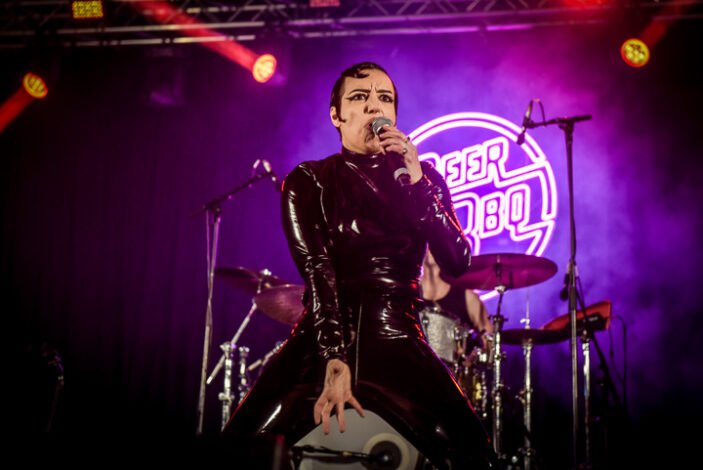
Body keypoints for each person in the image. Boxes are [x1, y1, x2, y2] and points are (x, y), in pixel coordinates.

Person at [223, 62, 496, 469]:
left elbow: (457, 261)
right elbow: (318, 271)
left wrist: (419, 186)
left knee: (475, 455)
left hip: (396, 333)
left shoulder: (422, 179)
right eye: (359, 97)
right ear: (336, 115)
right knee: (238, 447)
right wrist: (334, 357)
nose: (374, 106)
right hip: (323, 333)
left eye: (384, 98)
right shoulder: (310, 181)